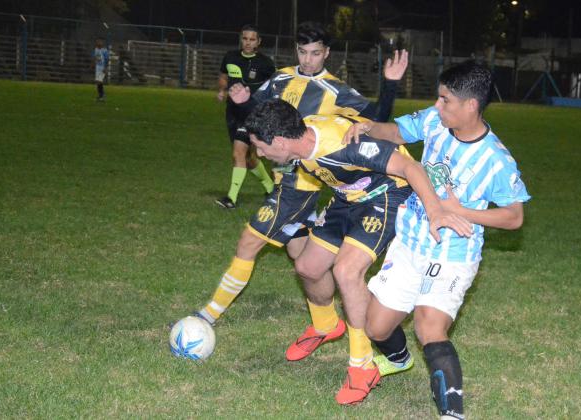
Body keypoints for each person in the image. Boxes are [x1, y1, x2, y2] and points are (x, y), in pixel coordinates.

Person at [243, 99, 472, 405]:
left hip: (385, 195)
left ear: (281, 141)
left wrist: (435, 212)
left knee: (346, 271)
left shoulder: (343, 147)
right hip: (346, 198)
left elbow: (409, 166)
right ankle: (326, 324)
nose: (259, 154)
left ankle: (361, 364)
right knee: (307, 267)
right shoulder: (302, 135)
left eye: (261, 147)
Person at [343, 60, 530, 419]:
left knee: (430, 325)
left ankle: (452, 414)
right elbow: (396, 132)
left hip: (453, 255)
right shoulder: (434, 121)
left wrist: (461, 212)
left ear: (470, 105)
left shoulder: (496, 160)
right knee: (375, 326)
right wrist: (369, 126)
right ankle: (398, 360)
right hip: (410, 243)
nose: (438, 106)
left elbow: (514, 217)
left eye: (445, 100)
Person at [194, 22, 407, 330]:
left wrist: (389, 84)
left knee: (249, 241)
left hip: (301, 182)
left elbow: (376, 119)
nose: (308, 60)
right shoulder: (280, 78)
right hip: (283, 175)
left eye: (316, 53)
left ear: (327, 53)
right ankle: (326, 324)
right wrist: (243, 104)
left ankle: (206, 317)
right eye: (303, 52)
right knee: (302, 256)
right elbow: (261, 118)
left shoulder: (336, 90)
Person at [215, 24, 276, 210]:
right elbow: (223, 76)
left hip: (252, 114)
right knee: (249, 159)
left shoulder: (266, 63)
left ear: (258, 42)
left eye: (252, 39)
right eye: (245, 38)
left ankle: (231, 199)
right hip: (232, 112)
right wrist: (222, 89)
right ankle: (271, 189)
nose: (248, 42)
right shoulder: (230, 57)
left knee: (238, 153)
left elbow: (275, 87)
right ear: (241, 39)